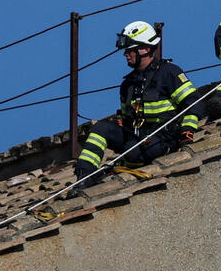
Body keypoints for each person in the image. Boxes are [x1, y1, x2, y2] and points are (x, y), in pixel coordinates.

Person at [73, 22, 202, 188]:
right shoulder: (128, 85)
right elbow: (127, 121)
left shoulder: (169, 73)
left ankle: (117, 166)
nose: (125, 54)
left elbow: (193, 103)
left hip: (162, 140)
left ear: (145, 49)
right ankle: (84, 177)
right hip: (135, 138)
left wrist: (187, 133)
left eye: (130, 50)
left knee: (134, 151)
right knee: (100, 129)